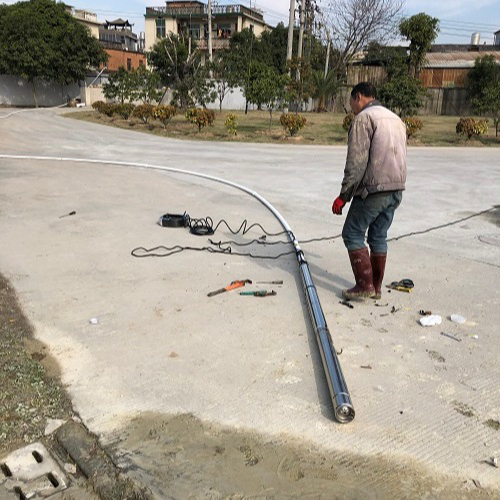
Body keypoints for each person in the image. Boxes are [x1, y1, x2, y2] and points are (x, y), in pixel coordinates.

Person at [332, 82, 407, 300]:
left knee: (352, 233)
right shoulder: (395, 118)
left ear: (358, 97)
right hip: (396, 188)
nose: (352, 107)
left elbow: (356, 162)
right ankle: (376, 287)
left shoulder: (364, 118)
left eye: (351, 102)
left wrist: (344, 196)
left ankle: (365, 286)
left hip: (374, 189)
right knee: (378, 236)